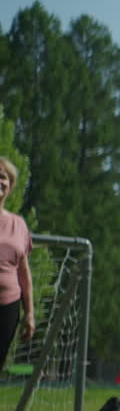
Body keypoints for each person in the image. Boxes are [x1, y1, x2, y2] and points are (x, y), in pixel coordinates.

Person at [0, 157, 35, 369]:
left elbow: (24, 273)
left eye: (3, 177)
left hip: (8, 307)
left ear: (10, 185)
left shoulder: (18, 224)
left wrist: (29, 313)